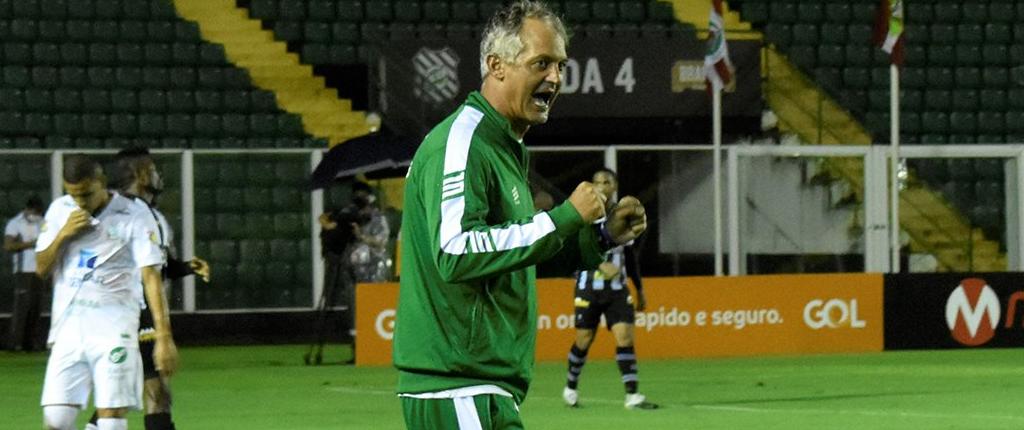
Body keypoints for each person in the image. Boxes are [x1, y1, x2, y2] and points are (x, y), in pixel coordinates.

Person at [393, 2, 648, 428]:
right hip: (458, 384)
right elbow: (455, 251)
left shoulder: (504, 148)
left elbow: (515, 256)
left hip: (483, 385)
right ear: (497, 65)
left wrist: (599, 237)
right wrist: (564, 217)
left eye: (561, 65)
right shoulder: (464, 142)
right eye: (542, 63)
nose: (555, 78)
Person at [36, 154, 178, 430]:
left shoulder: (134, 215)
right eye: (73, 195)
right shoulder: (59, 211)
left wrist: (163, 337)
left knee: (111, 420)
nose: (80, 202)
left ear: (102, 183)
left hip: (115, 330)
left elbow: (151, 277)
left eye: (86, 194)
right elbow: (41, 268)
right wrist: (63, 235)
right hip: (68, 331)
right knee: (56, 422)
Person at [83, 147, 210, 430]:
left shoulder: (144, 213)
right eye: (152, 169)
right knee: (154, 393)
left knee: (125, 395)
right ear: (141, 174)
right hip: (132, 314)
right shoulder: (128, 213)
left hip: (129, 313)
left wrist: (186, 267)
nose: (157, 175)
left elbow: (155, 266)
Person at [561, 168, 657, 409]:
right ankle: (571, 386)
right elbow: (570, 252)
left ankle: (632, 395)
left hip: (617, 289)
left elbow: (630, 256)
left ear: (614, 186)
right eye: (597, 182)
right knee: (584, 340)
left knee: (624, 336)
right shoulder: (584, 215)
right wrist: (600, 264)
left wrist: (640, 289)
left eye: (607, 182)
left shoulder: (620, 215)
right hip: (588, 288)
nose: (602, 186)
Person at [318, 181, 392, 357]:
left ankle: (376, 349)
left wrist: (362, 236)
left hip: (374, 270)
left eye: (362, 194)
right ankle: (356, 348)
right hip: (351, 270)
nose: (359, 197)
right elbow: (328, 224)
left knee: (373, 309)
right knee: (353, 310)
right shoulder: (349, 216)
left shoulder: (377, 218)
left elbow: (381, 241)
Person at [4, 195, 45, 352]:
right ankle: (14, 343)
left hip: (40, 270)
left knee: (36, 307)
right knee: (22, 308)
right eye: (34, 211)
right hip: (23, 270)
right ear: (27, 210)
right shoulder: (15, 223)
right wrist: (31, 244)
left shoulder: (42, 222)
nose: (36, 215)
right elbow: (8, 245)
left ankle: (30, 343)